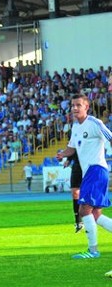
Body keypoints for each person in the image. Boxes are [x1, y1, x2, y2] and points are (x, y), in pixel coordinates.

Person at [56, 94, 112, 265]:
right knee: (95, 214)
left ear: (86, 107)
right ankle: (93, 249)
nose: (74, 108)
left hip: (97, 170)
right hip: (89, 172)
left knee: (84, 210)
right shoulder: (75, 127)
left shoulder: (95, 123)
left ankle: (93, 250)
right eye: (73, 105)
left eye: (78, 105)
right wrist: (63, 155)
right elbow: (72, 148)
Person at [65, 152, 83, 233]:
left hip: (90, 166)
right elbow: (72, 148)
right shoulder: (74, 138)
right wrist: (68, 160)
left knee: (90, 194)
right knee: (75, 193)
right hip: (77, 167)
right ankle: (78, 222)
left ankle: (92, 219)